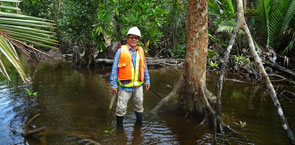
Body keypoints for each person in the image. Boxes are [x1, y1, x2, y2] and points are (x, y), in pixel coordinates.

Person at [110, 26, 150, 127]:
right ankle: (119, 130)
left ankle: (139, 126)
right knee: (121, 108)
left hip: (138, 86)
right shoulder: (120, 51)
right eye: (132, 37)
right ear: (127, 39)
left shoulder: (141, 51)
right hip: (124, 87)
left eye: (136, 38)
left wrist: (147, 80)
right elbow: (115, 69)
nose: (134, 40)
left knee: (139, 106)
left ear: (139, 40)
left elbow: (144, 67)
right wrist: (114, 85)